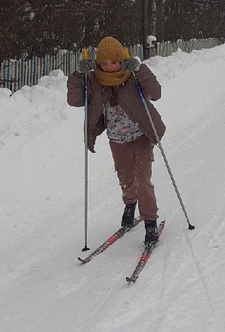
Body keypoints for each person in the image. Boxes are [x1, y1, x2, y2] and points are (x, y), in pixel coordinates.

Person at [67, 36, 165, 246]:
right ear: (98, 63)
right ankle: (130, 204)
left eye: (114, 62)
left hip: (141, 136)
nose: (109, 67)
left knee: (143, 181)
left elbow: (156, 93)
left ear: (122, 61)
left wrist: (140, 69)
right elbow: (74, 100)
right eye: (104, 63)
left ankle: (150, 223)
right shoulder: (93, 80)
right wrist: (78, 75)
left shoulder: (133, 77)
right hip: (116, 139)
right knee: (126, 178)